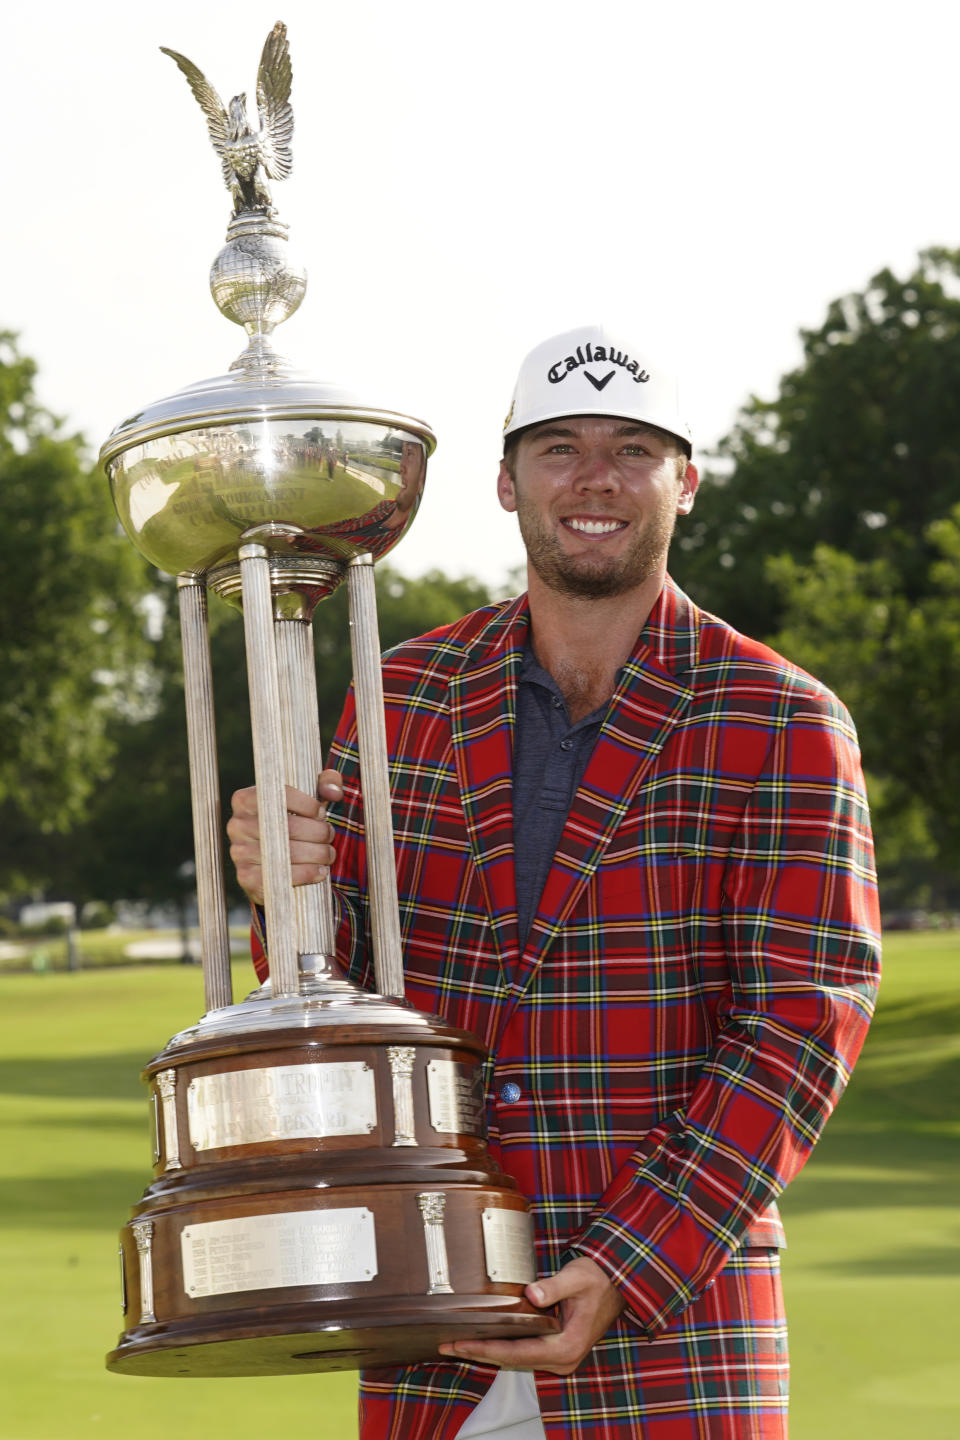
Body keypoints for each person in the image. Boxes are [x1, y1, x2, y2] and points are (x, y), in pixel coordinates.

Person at [229, 324, 881, 1439]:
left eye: (633, 448)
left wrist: (632, 1260)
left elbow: (801, 1024)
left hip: (673, 1321)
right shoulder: (400, 697)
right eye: (558, 447)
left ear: (687, 479)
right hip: (434, 1310)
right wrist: (281, 893)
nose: (594, 478)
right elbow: (352, 989)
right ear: (504, 480)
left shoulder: (783, 719)